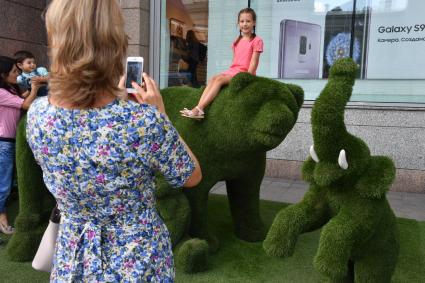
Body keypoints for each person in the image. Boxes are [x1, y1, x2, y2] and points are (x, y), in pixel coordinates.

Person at [26, 0, 202, 282]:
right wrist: (160, 114)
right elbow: (190, 175)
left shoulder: (38, 114)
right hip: (138, 262)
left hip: (73, 259)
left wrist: (113, 100)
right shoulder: (143, 121)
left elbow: (85, 125)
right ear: (114, 41)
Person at [180, 8, 263, 119]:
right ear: (238, 23)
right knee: (214, 78)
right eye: (242, 21)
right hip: (233, 71)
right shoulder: (236, 41)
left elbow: (254, 62)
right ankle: (199, 107)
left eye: (248, 21)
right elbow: (235, 61)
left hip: (243, 73)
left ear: (254, 23)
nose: (245, 24)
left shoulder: (256, 41)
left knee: (219, 80)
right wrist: (228, 73)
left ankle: (199, 109)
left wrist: (247, 77)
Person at [0, 56, 39, 234]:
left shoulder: (8, 89)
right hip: (3, 143)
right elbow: (25, 104)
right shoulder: (1, 92)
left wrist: (32, 87)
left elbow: (21, 98)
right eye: (14, 72)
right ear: (3, 74)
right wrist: (36, 89)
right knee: (3, 184)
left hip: (7, 142)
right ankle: (2, 220)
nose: (18, 74)